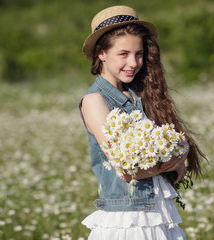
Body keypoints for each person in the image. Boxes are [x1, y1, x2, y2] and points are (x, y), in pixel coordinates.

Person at [78, 5, 206, 240]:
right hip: (127, 218)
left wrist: (182, 149)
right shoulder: (95, 100)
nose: (134, 63)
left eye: (138, 54)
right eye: (123, 54)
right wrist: (171, 163)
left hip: (156, 212)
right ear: (102, 54)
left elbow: (170, 137)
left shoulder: (139, 94)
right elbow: (126, 168)